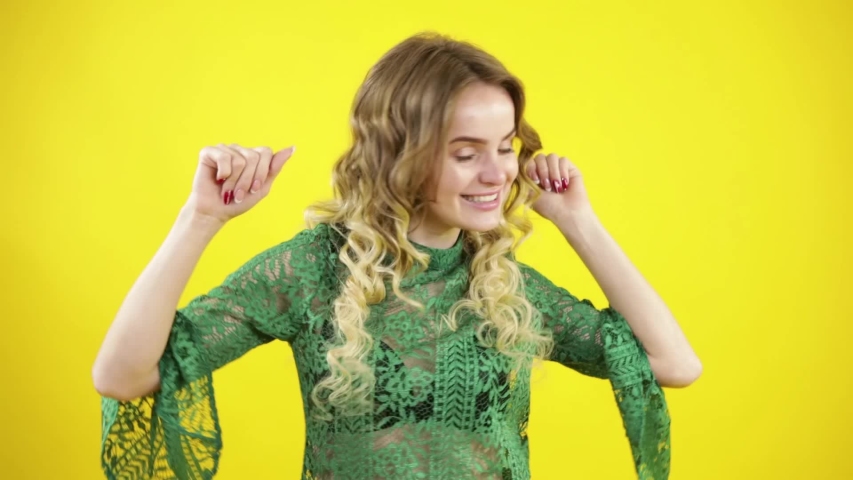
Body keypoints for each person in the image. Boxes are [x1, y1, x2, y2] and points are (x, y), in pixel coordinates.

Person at [92, 32, 701, 480]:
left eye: (506, 146)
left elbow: (672, 362)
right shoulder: (314, 270)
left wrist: (579, 223)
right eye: (466, 153)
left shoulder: (501, 285)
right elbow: (122, 377)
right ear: (400, 154)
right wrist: (200, 219)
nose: (497, 173)